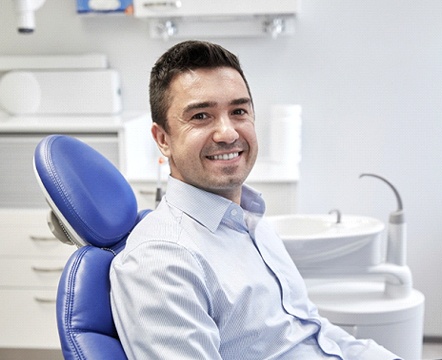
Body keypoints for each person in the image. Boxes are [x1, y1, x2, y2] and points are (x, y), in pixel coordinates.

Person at [110, 40, 401, 359]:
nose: (227, 133)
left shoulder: (250, 219)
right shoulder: (162, 261)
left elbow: (312, 329)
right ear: (163, 139)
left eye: (238, 111)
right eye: (201, 116)